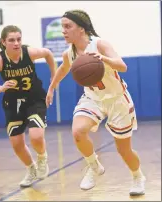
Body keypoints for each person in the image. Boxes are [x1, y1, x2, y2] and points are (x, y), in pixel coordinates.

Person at [46, 10, 146, 196]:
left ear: (81, 29)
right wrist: (52, 87)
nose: (63, 31)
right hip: (93, 98)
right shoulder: (70, 53)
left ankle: (137, 176)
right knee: (77, 131)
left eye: (68, 26)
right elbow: (63, 68)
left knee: (124, 151)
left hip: (117, 100)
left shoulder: (99, 44)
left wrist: (105, 59)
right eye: (62, 27)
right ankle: (93, 166)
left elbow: (122, 66)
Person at [0, 25, 56, 187]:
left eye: (19, 39)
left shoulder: (28, 53)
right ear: (3, 42)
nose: (16, 43)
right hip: (13, 103)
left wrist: (53, 80)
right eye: (11, 40)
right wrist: (1, 88)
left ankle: (42, 158)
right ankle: (31, 169)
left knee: (36, 136)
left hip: (35, 99)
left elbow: (48, 53)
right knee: (16, 143)